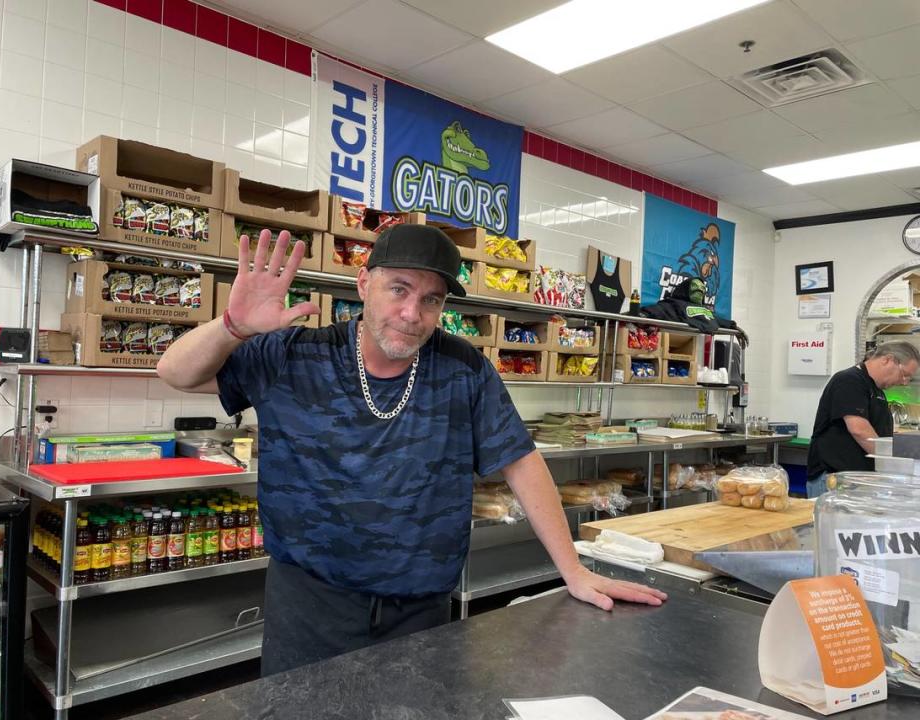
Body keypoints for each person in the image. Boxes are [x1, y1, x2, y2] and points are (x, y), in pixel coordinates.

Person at [157, 225, 666, 676]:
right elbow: (175, 374)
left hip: (422, 614)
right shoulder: (292, 355)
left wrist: (572, 570)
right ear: (363, 284)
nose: (412, 313)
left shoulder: (462, 369)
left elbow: (521, 462)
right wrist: (234, 327)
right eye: (399, 289)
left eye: (431, 299)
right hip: (309, 608)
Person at [806, 341, 920, 497]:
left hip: (858, 480)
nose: (904, 382)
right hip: (836, 480)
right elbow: (858, 429)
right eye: (904, 374)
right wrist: (891, 466)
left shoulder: (876, 390)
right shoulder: (849, 380)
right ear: (888, 359)